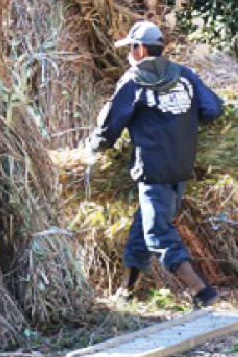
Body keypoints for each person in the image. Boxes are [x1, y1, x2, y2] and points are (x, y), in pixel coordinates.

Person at [87, 20, 224, 308]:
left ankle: (202, 292)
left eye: (130, 48)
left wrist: (94, 148)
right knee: (143, 226)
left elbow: (111, 124)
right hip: (181, 168)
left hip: (153, 170)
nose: (128, 55)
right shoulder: (185, 75)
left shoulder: (135, 79)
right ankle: (126, 291)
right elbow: (213, 108)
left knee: (157, 233)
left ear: (139, 49)